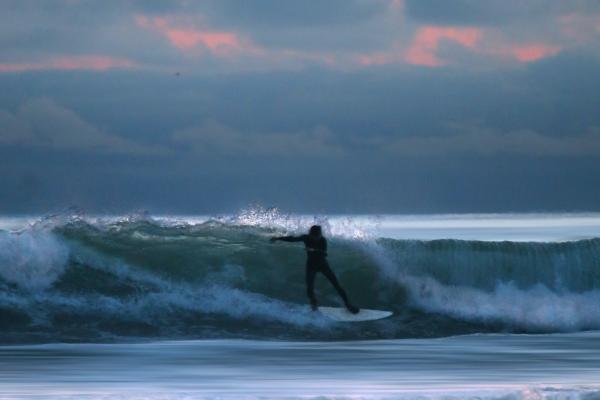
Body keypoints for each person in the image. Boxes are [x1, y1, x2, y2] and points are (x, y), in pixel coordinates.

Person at [270, 225, 360, 314]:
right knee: (309, 289)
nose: (317, 238)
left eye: (319, 236)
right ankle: (314, 307)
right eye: (315, 236)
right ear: (311, 235)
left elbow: (324, 253)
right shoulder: (306, 237)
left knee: (337, 285)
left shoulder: (322, 240)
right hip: (311, 266)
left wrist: (313, 250)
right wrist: (278, 238)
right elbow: (293, 239)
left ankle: (348, 305)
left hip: (323, 265)